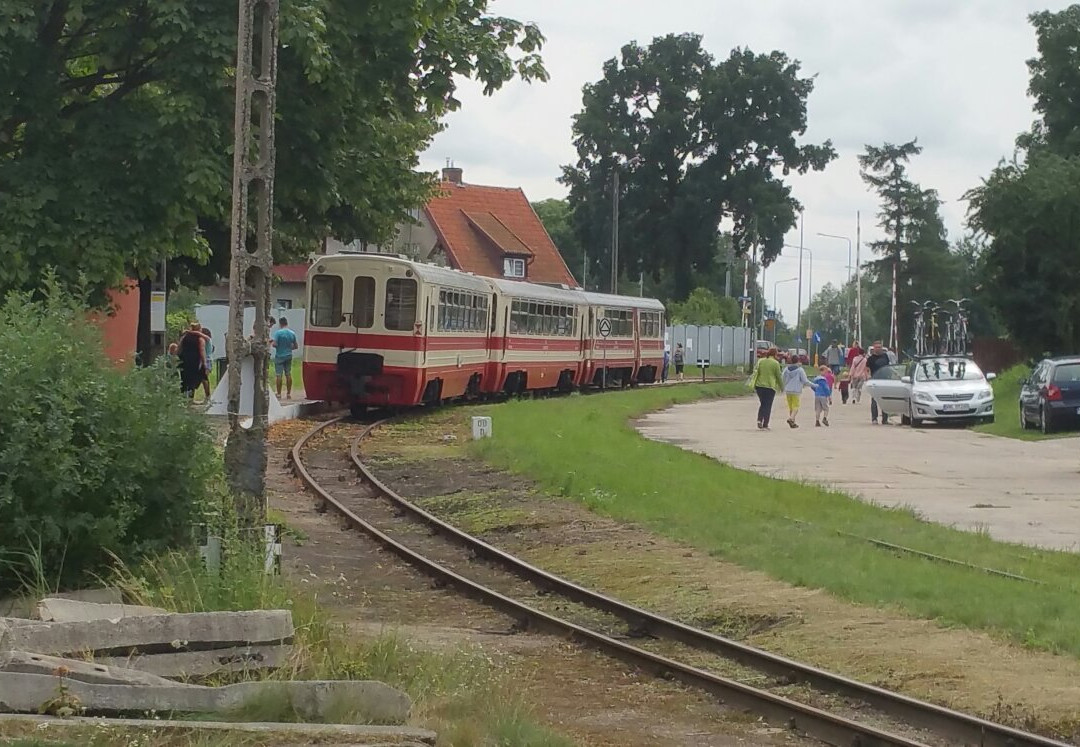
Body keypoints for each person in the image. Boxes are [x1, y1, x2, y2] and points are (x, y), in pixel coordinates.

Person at [749, 347, 783, 430]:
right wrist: (781, 387)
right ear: (775, 354)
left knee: (763, 403)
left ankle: (759, 420)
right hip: (770, 386)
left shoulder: (761, 361)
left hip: (759, 386)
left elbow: (756, 372)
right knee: (768, 405)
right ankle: (765, 424)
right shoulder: (775, 363)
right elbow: (778, 376)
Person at [177, 322, 207, 400]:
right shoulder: (200, 339)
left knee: (184, 379)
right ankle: (190, 398)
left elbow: (179, 348)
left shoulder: (184, 337)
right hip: (194, 361)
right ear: (199, 329)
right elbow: (202, 351)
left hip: (183, 360)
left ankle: (182, 397)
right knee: (192, 381)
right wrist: (204, 363)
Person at [271, 317, 299, 399]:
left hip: (279, 355)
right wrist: (289, 348)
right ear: (287, 323)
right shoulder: (292, 333)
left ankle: (279, 393)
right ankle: (288, 393)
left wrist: (274, 344)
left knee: (279, 374)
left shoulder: (278, 333)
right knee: (288, 373)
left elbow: (275, 344)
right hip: (288, 355)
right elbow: (296, 346)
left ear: (280, 324)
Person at [866, 341, 893, 424]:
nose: (878, 348)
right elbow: (867, 369)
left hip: (885, 380)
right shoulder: (870, 359)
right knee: (874, 400)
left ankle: (885, 419)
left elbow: (888, 367)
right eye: (876, 347)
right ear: (874, 348)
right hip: (874, 381)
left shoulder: (885, 357)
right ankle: (874, 418)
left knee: (885, 400)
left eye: (879, 347)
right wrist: (868, 376)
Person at [781, 359, 813, 428]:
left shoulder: (786, 369)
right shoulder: (800, 370)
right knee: (796, 406)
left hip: (788, 390)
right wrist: (814, 385)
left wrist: (783, 386)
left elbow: (782, 378)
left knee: (791, 407)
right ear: (798, 362)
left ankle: (793, 422)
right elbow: (805, 381)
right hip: (796, 390)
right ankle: (791, 419)